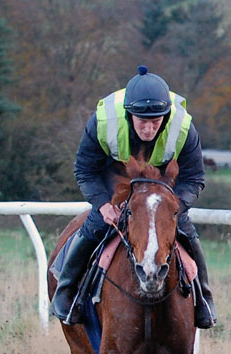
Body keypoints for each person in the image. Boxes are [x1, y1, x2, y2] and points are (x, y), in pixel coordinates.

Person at [50, 65, 216, 328]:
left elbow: (194, 178)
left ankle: (204, 296)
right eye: (142, 122)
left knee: (186, 231)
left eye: (155, 122)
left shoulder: (183, 126)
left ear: (166, 116)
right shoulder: (103, 122)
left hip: (163, 184)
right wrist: (103, 205)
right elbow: (84, 169)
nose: (149, 129)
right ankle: (67, 290)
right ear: (129, 115)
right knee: (96, 224)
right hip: (117, 176)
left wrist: (174, 206)